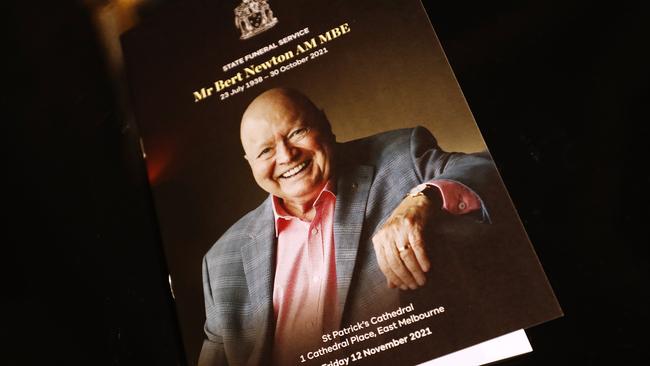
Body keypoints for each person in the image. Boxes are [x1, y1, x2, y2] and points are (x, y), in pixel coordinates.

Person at [199, 88, 499, 366]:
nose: (287, 155)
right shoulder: (221, 260)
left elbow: (489, 169)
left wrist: (424, 198)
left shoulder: (400, 157)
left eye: (297, 132)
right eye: (265, 151)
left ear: (325, 123)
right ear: (249, 162)